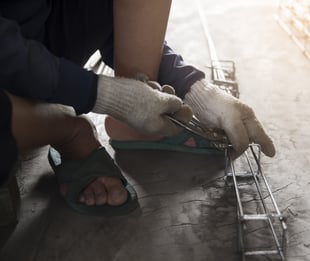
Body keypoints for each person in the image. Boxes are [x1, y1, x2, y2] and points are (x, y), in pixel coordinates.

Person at [0, 0, 275, 216]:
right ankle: (68, 130)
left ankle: (134, 128)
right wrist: (99, 93)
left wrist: (196, 90)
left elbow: (104, 18)